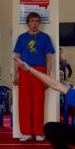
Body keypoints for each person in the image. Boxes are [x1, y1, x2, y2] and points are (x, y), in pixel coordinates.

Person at [13, 12, 55, 142]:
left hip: (39, 71)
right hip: (24, 71)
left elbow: (49, 58)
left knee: (38, 101)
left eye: (37, 21)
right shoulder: (21, 38)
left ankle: (38, 132)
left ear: (39, 23)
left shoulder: (45, 37)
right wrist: (16, 75)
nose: (34, 23)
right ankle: (25, 132)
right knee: (24, 102)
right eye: (32, 21)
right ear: (28, 23)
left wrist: (47, 77)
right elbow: (17, 58)